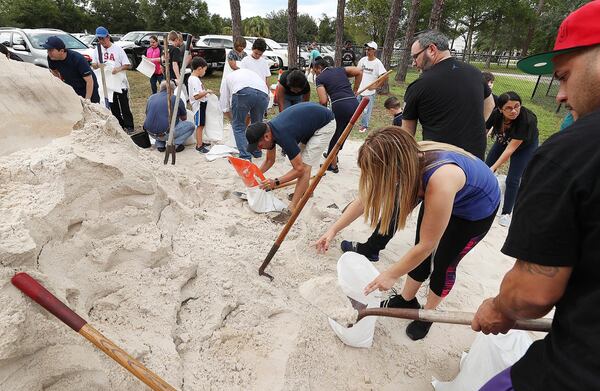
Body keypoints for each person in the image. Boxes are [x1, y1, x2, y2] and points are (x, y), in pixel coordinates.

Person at [472, 2, 600, 390]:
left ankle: (507, 210)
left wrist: (498, 308)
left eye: (564, 76)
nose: (559, 94)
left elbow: (531, 294)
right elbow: (492, 133)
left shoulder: (572, 152)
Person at [316, 127, 500, 340]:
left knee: (443, 263)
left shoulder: (439, 180)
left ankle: (428, 314)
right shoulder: (407, 159)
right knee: (418, 253)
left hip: (474, 210)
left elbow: (427, 245)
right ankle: (406, 299)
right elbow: (366, 198)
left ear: (396, 168)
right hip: (445, 193)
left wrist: (392, 274)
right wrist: (333, 230)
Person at [337, 31, 495, 267]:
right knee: (451, 214)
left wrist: (398, 166)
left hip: (436, 162)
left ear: (431, 49)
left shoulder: (421, 85)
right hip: (473, 161)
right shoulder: (474, 73)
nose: (414, 62)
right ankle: (430, 256)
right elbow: (490, 105)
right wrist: (474, 132)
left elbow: (405, 136)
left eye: (415, 56)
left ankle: (378, 250)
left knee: (402, 205)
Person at [245, 102, 336, 212]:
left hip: (325, 125)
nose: (259, 149)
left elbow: (299, 169)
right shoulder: (268, 131)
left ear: (267, 136)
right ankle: (307, 192)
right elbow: (270, 160)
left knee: (305, 167)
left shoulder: (283, 135)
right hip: (310, 123)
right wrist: (255, 175)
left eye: (259, 145)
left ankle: (292, 207)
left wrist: (276, 182)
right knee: (303, 162)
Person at [485, 91, 539, 227]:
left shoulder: (527, 119)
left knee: (513, 179)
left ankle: (506, 213)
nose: (514, 111)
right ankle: (480, 197)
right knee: (485, 168)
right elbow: (483, 131)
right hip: (504, 138)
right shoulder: (496, 114)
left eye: (517, 106)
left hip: (525, 146)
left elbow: (510, 150)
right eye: (508, 108)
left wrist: (494, 168)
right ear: (500, 109)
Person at [313, 57, 363, 173]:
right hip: (355, 104)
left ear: (319, 68)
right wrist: (355, 90)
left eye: (315, 71)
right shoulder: (340, 70)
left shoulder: (320, 78)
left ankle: (332, 165)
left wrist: (323, 114)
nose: (315, 73)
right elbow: (359, 71)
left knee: (335, 135)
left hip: (340, 106)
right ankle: (333, 155)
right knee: (343, 133)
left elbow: (323, 100)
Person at [91, 26, 135, 133]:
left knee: (124, 105)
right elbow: (93, 63)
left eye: (103, 38)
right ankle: (120, 125)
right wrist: (97, 65)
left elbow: (128, 65)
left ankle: (129, 126)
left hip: (120, 82)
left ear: (108, 37)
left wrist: (118, 68)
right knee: (113, 106)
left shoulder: (118, 49)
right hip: (107, 83)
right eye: (99, 39)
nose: (101, 41)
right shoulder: (97, 50)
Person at [219, 68, 269, 160]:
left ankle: (245, 156)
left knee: (238, 127)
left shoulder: (227, 78)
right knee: (257, 126)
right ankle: (257, 152)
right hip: (264, 94)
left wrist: (232, 121)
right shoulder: (251, 73)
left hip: (243, 91)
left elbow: (224, 106)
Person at [44, 36, 100, 103]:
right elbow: (54, 72)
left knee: (92, 109)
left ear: (61, 51)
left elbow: (89, 81)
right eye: (47, 50)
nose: (48, 52)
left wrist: (87, 100)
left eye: (51, 50)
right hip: (72, 87)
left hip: (88, 88)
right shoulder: (51, 58)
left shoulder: (78, 59)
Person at [143, 80, 194, 153]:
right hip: (165, 134)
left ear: (160, 88)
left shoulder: (151, 97)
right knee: (191, 126)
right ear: (172, 89)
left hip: (150, 133)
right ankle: (174, 145)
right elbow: (184, 118)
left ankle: (160, 145)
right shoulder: (176, 99)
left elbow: (147, 114)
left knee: (159, 121)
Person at [356, 41, 388, 133]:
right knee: (354, 107)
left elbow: (385, 75)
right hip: (359, 90)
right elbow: (357, 72)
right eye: (366, 49)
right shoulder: (363, 60)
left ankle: (364, 126)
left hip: (369, 93)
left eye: (369, 49)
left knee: (366, 111)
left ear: (374, 50)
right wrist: (356, 87)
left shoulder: (377, 63)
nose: (367, 51)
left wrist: (375, 86)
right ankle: (350, 122)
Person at [188, 57, 213, 154]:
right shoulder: (194, 79)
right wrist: (206, 92)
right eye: (204, 70)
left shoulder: (195, 79)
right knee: (200, 125)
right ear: (199, 69)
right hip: (198, 106)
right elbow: (196, 95)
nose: (205, 72)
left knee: (202, 124)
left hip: (201, 105)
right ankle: (199, 145)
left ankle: (201, 141)